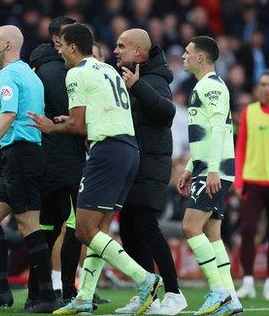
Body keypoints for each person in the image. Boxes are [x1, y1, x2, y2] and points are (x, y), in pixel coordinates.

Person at [28, 23, 162, 316]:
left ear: (73, 47)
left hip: (107, 152)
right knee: (99, 229)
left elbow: (77, 126)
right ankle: (85, 297)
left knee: (84, 230)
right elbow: (93, 116)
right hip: (128, 150)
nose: (59, 51)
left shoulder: (76, 73)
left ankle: (145, 279)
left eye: (61, 45)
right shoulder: (108, 70)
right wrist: (71, 122)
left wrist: (52, 127)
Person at [0, 25, 59, 313]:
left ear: (8, 45)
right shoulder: (30, 75)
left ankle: (46, 296)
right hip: (22, 155)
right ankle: (0, 289)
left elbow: (8, 113)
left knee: (28, 226)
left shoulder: (8, 74)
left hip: (20, 153)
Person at [113, 28, 187, 315]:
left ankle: (174, 292)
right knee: (130, 231)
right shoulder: (132, 78)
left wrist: (136, 86)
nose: (116, 50)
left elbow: (165, 112)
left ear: (139, 53)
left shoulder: (154, 80)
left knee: (146, 228)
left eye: (122, 46)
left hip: (150, 167)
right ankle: (148, 294)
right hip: (133, 167)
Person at [176, 36, 243, 315]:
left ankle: (217, 293)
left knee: (190, 227)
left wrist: (212, 169)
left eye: (187, 52)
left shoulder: (211, 87)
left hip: (215, 171)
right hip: (209, 169)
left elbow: (218, 130)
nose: (183, 56)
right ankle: (232, 297)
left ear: (200, 58)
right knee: (212, 234)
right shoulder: (204, 86)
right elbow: (204, 136)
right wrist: (190, 168)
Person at [28, 15, 84, 304]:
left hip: (42, 157)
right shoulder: (68, 72)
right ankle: (69, 291)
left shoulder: (36, 69)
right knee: (76, 226)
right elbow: (78, 119)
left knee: (45, 227)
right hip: (69, 159)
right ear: (56, 41)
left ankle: (36, 294)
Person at [235, 71, 269, 300]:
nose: (266, 88)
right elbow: (241, 148)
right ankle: (247, 281)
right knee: (247, 231)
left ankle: (268, 282)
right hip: (252, 182)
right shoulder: (250, 111)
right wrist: (238, 181)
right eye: (263, 84)